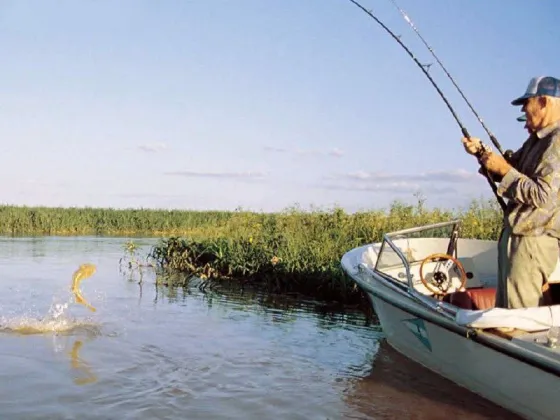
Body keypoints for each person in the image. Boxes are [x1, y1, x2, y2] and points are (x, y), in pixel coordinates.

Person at [462, 76, 560, 309]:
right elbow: (512, 169)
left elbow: (542, 196)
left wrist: (504, 170)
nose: (524, 110)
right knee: (506, 312)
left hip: (532, 241)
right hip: (519, 239)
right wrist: (482, 153)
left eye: (527, 103)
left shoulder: (556, 141)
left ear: (544, 101)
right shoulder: (537, 141)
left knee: (520, 320)